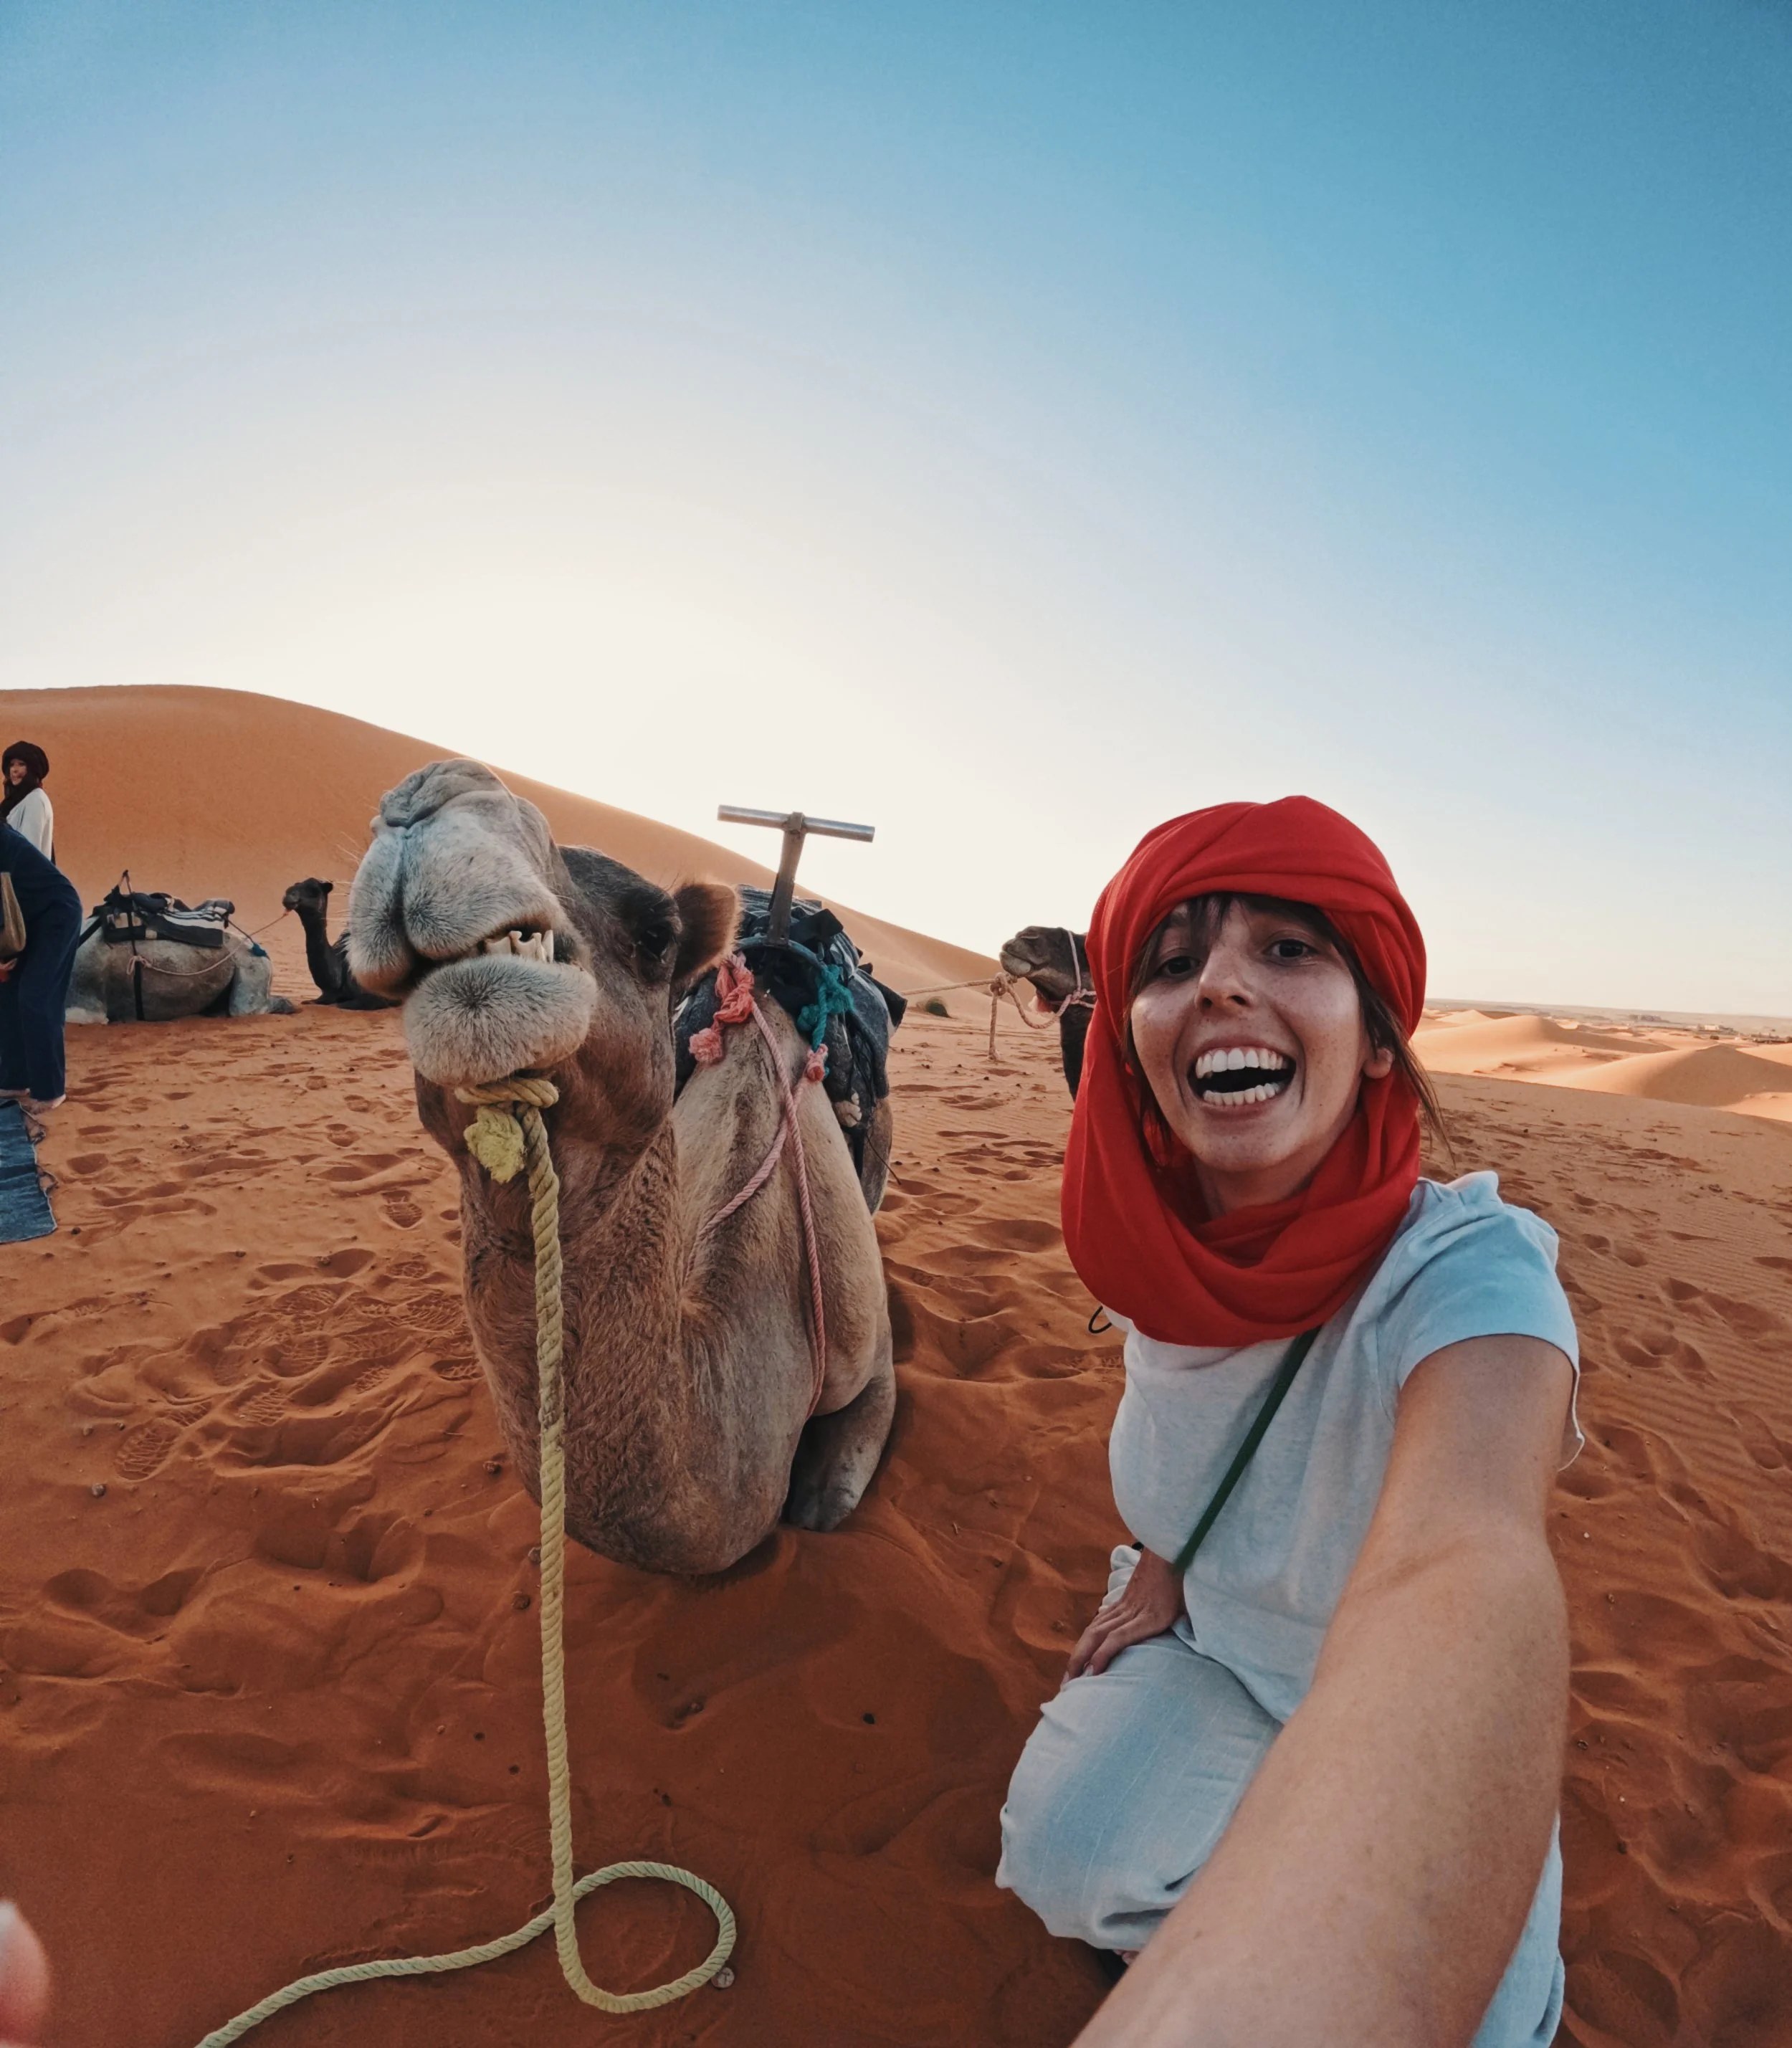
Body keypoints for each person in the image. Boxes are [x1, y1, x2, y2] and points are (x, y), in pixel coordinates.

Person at [996, 798, 1578, 2048]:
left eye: (1288, 948)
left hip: (1411, 1698)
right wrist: (1166, 1558)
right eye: (1171, 963)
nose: (1218, 984)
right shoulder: (1159, 1260)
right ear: (1131, 1039)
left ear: (1376, 1040)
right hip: (1220, 1644)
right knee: (1061, 1854)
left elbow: (1468, 1551)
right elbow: (1196, 1440)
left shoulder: (1468, 1271)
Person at [0, 816, 82, 1113]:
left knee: (36, 997)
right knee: (8, 996)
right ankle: (15, 1079)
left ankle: (50, 1090)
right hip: (20, 920)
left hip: (55, 916)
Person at [0, 744, 54, 862]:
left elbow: (28, 851)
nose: (14, 770)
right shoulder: (18, 802)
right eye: (12, 765)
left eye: (21, 764)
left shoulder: (35, 800)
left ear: (33, 769)